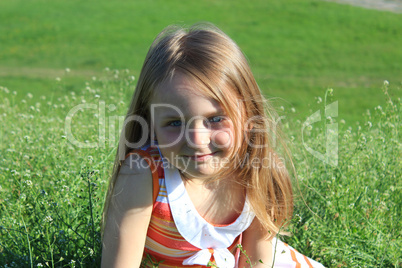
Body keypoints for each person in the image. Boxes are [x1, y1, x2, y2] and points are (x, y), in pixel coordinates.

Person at [101, 23, 325, 268]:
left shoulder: (259, 170)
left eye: (216, 119)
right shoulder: (144, 174)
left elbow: (257, 262)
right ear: (150, 123)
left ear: (249, 116)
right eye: (174, 122)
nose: (197, 140)